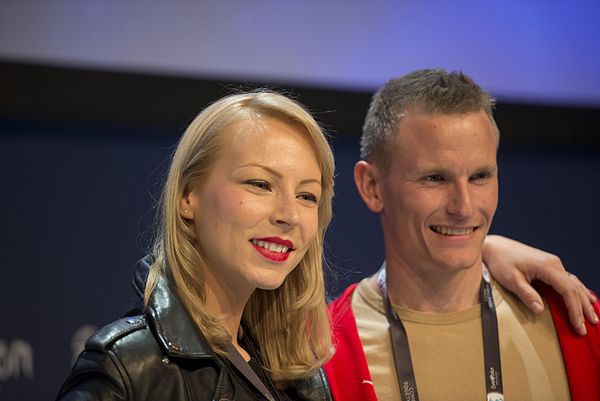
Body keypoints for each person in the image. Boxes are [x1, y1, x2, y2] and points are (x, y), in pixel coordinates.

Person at [56, 90, 594, 401]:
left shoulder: (296, 366)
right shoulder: (128, 369)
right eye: (259, 184)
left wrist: (482, 250)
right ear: (189, 196)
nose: (289, 214)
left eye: (307, 195)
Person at [324, 70, 600, 401]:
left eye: (480, 176)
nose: (464, 206)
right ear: (372, 187)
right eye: (435, 178)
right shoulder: (322, 353)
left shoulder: (578, 318)